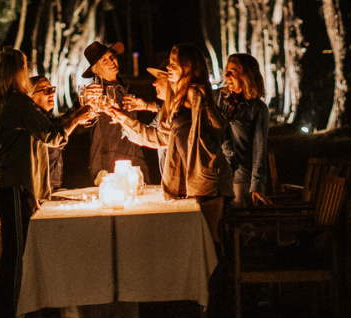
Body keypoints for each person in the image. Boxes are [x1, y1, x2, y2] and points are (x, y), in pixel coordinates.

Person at [0, 48, 93, 318]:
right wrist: (77, 117)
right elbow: (52, 135)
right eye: (25, 66)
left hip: (5, 184)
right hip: (11, 185)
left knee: (15, 254)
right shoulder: (18, 102)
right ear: (19, 71)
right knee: (16, 256)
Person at [102, 43, 229, 236]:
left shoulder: (198, 95)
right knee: (195, 241)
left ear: (188, 67)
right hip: (185, 185)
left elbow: (219, 129)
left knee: (210, 241)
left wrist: (201, 101)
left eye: (173, 63)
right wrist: (124, 119)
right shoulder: (176, 104)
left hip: (206, 185)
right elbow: (160, 138)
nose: (169, 67)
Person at [79, 41, 150, 183]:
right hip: (110, 165)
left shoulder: (124, 89)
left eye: (112, 56)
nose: (111, 61)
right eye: (104, 60)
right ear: (94, 69)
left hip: (135, 161)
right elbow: (87, 118)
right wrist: (99, 171)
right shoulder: (96, 94)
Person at [217, 53, 271, 207]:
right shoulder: (220, 100)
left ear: (247, 74)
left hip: (240, 180)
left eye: (232, 71)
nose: (227, 75)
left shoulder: (257, 109)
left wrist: (257, 185)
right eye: (227, 70)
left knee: (239, 225)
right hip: (217, 176)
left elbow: (259, 149)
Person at [29, 76, 64, 198]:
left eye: (52, 89)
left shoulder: (49, 120)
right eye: (45, 90)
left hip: (53, 188)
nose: (51, 93)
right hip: (39, 192)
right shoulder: (34, 124)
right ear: (31, 95)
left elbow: (63, 124)